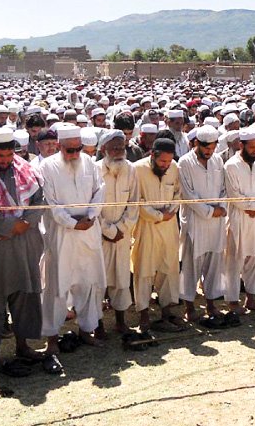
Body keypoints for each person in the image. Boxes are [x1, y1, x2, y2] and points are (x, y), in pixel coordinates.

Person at [0, 127, 46, 374]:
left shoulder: (27, 169)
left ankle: (22, 345)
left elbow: (39, 201)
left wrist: (24, 223)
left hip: (24, 241)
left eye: (8, 156)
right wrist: (8, 225)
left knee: (25, 294)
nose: (4, 161)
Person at [40, 125, 107, 367]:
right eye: (70, 150)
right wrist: (71, 222)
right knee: (57, 286)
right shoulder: (47, 167)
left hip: (88, 230)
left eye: (78, 149)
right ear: (59, 147)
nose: (75, 154)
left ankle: (86, 330)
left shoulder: (90, 162)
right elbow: (49, 202)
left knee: (89, 283)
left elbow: (100, 191)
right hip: (62, 235)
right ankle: (52, 337)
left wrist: (90, 216)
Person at [132, 138, 183, 331]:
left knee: (169, 268)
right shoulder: (137, 169)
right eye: (162, 162)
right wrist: (158, 215)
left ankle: (166, 313)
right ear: (152, 155)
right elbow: (137, 200)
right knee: (144, 269)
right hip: (147, 226)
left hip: (169, 225)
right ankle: (143, 314)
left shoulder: (174, 167)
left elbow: (178, 193)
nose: (166, 165)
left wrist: (170, 212)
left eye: (168, 162)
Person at [224, 128, 255, 317]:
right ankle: (232, 301)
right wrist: (253, 208)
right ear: (241, 145)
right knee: (235, 260)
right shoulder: (231, 165)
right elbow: (234, 195)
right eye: (251, 147)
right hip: (240, 218)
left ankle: (251, 298)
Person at [178, 124, 227, 322]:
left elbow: (224, 188)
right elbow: (188, 195)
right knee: (191, 266)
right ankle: (189, 307)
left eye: (213, 147)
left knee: (214, 263)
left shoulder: (217, 160)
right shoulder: (184, 162)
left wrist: (220, 207)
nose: (209, 151)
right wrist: (210, 211)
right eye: (206, 147)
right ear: (196, 143)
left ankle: (211, 303)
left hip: (216, 222)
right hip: (195, 223)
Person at [96, 129, 139, 334]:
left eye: (122, 148)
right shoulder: (94, 171)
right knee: (98, 281)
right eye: (114, 148)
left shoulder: (131, 170)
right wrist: (107, 231)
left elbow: (134, 203)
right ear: (104, 149)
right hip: (99, 236)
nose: (119, 152)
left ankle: (121, 321)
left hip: (122, 235)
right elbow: (92, 207)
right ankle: (98, 324)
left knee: (122, 278)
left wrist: (121, 229)